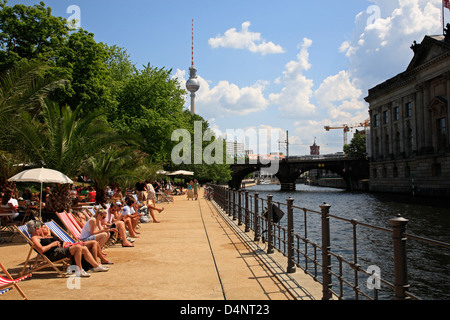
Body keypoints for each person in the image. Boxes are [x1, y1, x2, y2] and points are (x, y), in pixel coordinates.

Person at [27, 220, 108, 277]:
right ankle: (79, 270)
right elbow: (41, 250)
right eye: (41, 227)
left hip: (59, 250)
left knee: (84, 249)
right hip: (54, 253)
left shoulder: (41, 236)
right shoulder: (34, 238)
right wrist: (52, 244)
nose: (43, 228)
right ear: (37, 229)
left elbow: (47, 236)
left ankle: (95, 266)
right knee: (78, 247)